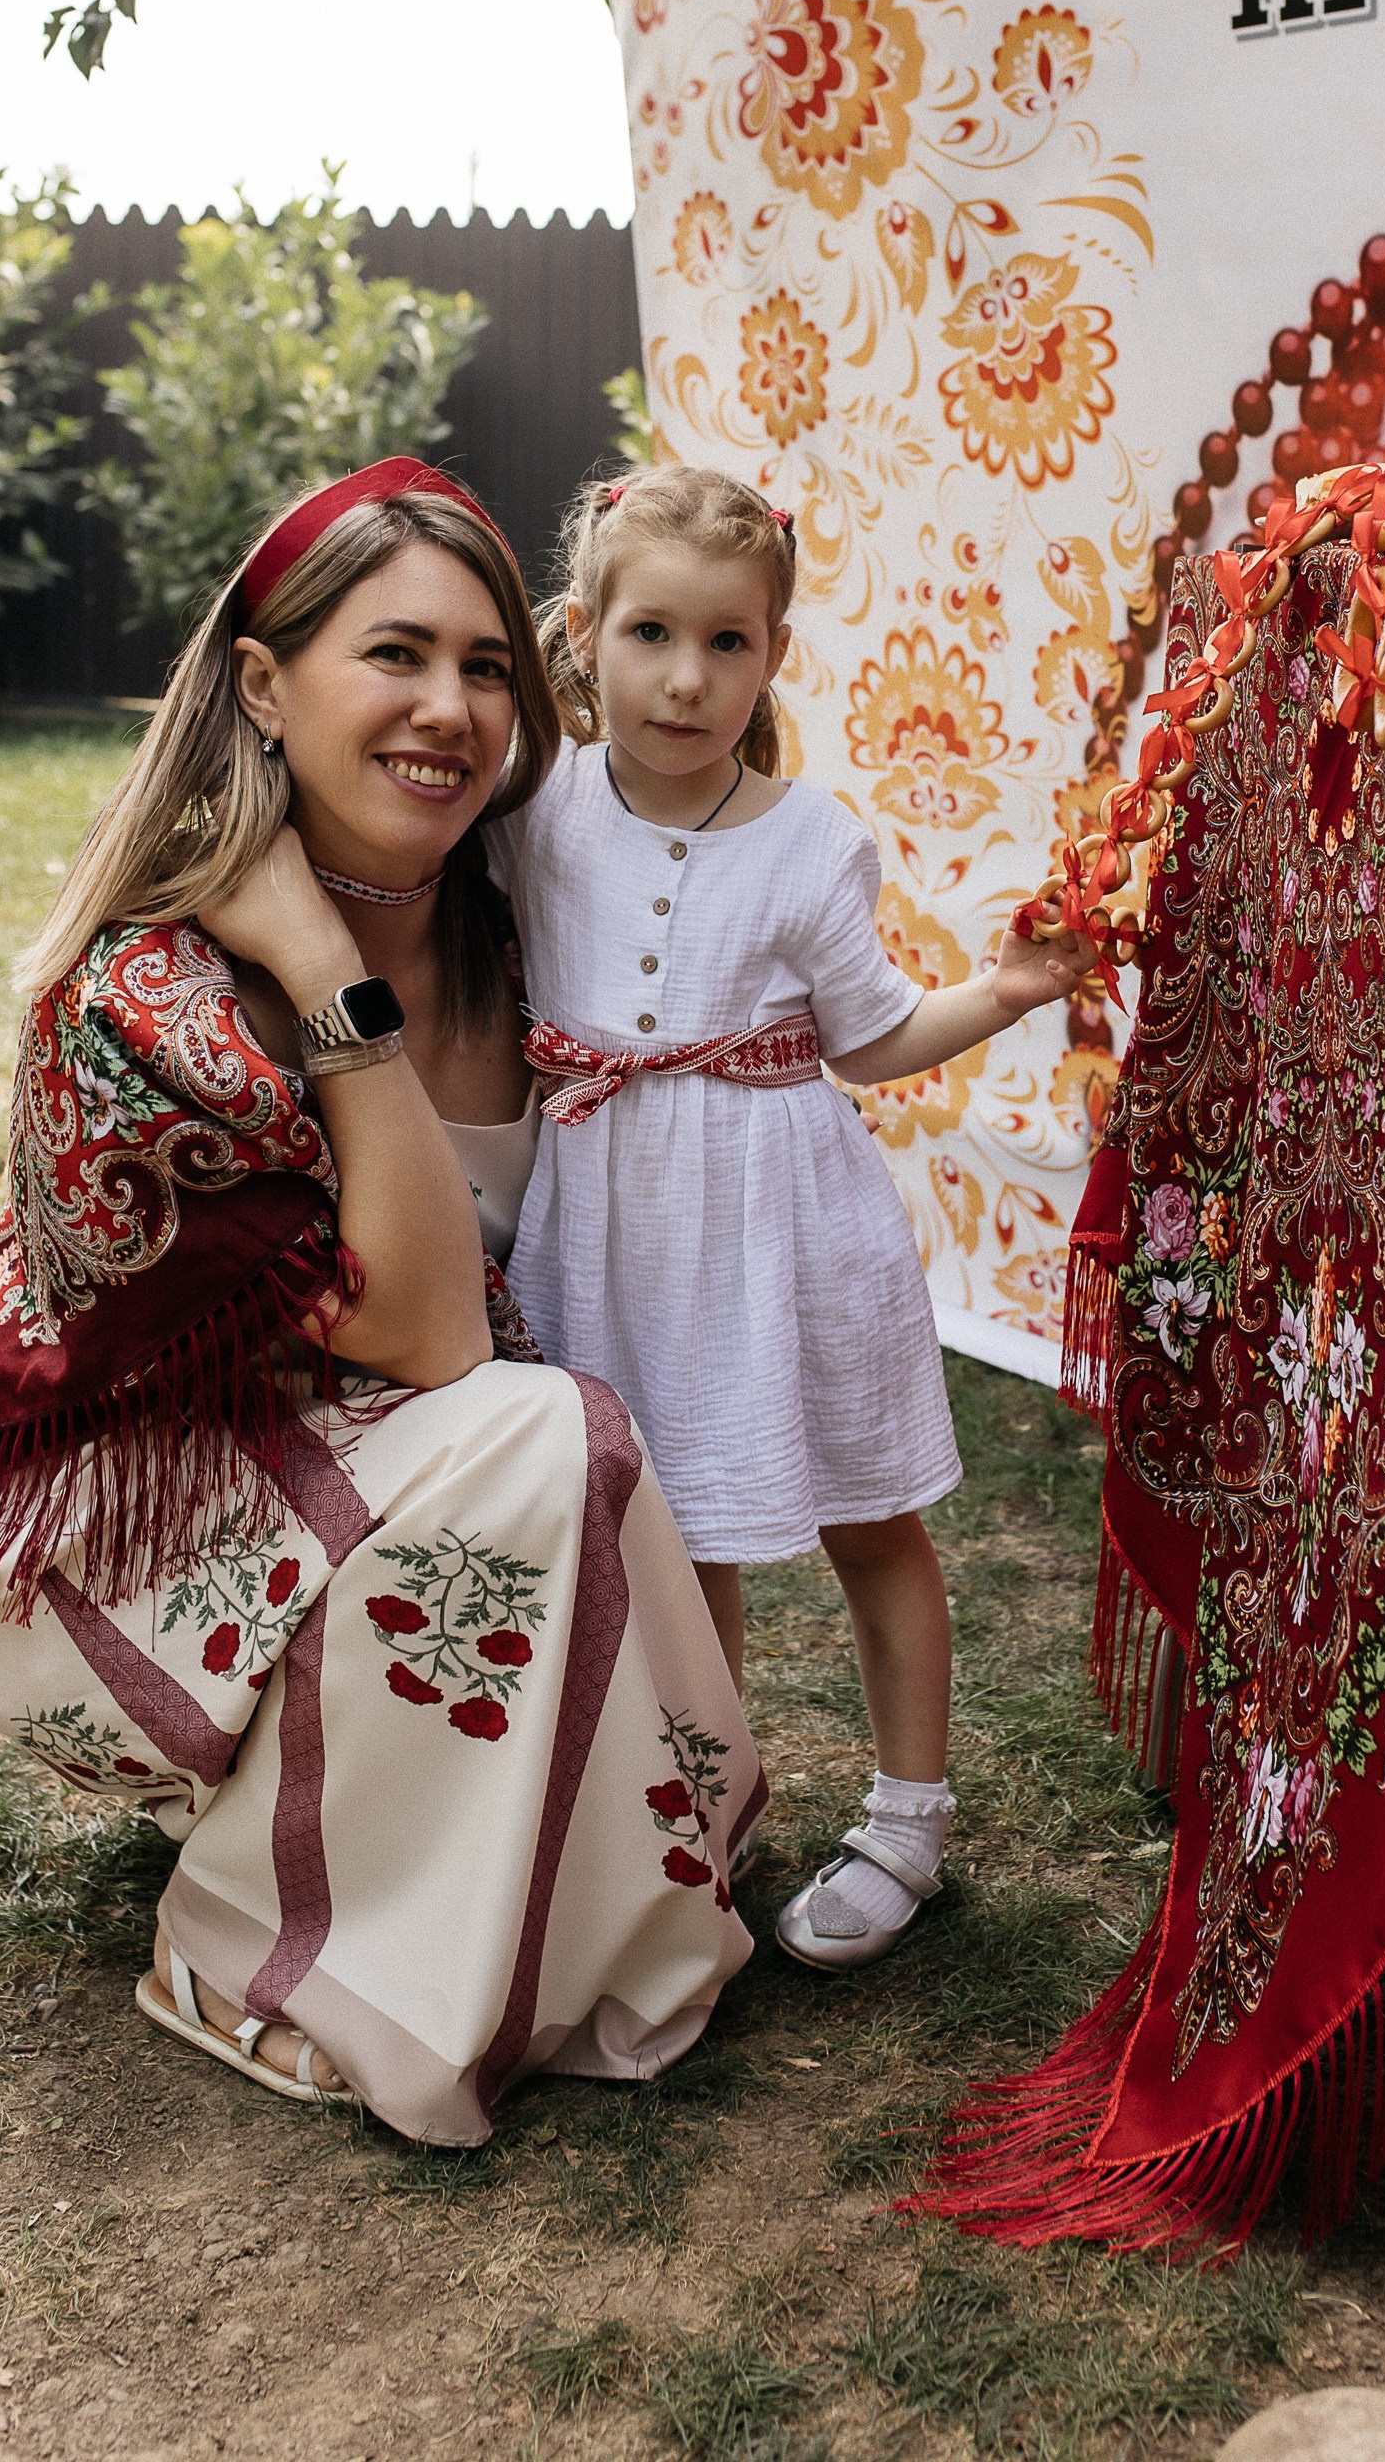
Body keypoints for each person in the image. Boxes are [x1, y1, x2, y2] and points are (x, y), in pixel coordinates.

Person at [0, 459, 764, 2142]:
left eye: (490, 666)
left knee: (540, 1442)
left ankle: (550, 1881)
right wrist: (323, 978)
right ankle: (256, 1949)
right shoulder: (154, 995)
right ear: (265, 685)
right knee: (534, 1431)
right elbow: (430, 1337)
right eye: (397, 656)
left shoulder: (514, 928)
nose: (450, 708)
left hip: (353, 1490)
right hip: (100, 1555)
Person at [482, 465, 1090, 1973]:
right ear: (584, 635)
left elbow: (865, 1035)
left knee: (865, 1517)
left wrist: (1005, 994)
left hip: (782, 1227)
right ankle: (703, 1822)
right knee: (672, 1536)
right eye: (651, 636)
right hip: (608, 1217)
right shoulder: (534, 807)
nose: (688, 680)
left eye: (730, 643)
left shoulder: (812, 842)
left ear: (774, 651)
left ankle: (908, 1826)